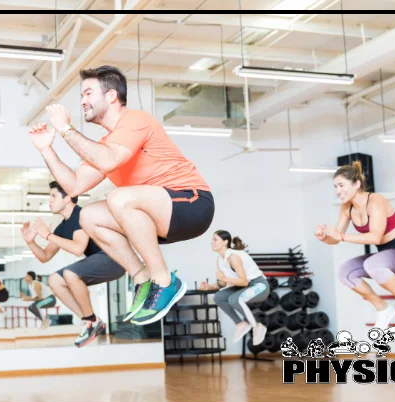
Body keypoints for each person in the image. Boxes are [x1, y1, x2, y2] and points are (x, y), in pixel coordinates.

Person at [28, 65, 214, 326]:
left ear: (112, 96)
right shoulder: (105, 144)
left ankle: (165, 280)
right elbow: (73, 187)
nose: (82, 101)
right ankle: (142, 278)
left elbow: (109, 160)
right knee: (89, 216)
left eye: (88, 93)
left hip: (191, 204)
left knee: (119, 197)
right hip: (157, 216)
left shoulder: (136, 120)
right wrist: (46, 149)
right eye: (82, 95)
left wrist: (66, 129)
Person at [315, 162, 395, 330]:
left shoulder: (376, 201)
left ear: (357, 184)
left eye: (342, 185)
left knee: (373, 264)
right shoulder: (347, 208)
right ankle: (383, 308)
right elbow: (335, 238)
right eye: (335, 186)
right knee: (345, 272)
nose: (338, 191)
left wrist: (341, 236)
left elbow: (375, 236)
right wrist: (325, 237)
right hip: (386, 257)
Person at [22, 181, 125, 347]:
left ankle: (90, 320)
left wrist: (47, 234)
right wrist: (31, 242)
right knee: (54, 280)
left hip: (115, 258)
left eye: (53, 196)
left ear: (68, 198)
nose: (49, 200)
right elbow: (45, 255)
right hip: (100, 260)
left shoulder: (81, 215)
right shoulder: (63, 227)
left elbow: (78, 248)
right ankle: (90, 320)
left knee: (70, 274)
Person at [199, 231, 270, 345]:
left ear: (225, 242)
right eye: (212, 240)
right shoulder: (220, 260)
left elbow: (244, 281)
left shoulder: (233, 257)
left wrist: (225, 279)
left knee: (234, 299)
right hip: (243, 287)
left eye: (215, 239)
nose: (211, 242)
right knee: (219, 297)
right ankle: (241, 324)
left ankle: (257, 326)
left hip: (259, 286)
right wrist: (208, 287)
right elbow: (222, 284)